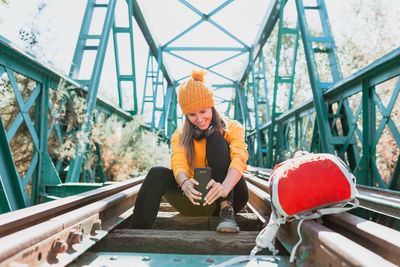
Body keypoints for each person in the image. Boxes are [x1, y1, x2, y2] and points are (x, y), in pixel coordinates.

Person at [130, 69, 249, 232]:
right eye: (192, 114)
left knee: (216, 139)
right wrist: (184, 182)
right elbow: (178, 161)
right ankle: (137, 231)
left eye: (203, 111)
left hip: (230, 195)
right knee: (156, 172)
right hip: (195, 200)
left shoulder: (233, 128)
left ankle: (226, 211)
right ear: (186, 115)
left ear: (212, 107)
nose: (199, 119)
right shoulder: (180, 134)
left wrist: (225, 188)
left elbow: (240, 157)